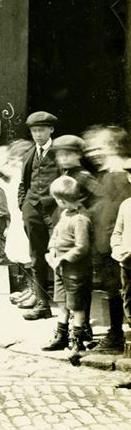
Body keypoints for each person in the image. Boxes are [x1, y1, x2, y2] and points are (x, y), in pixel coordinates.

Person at [83, 125, 131, 354]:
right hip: (109, 248)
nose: (92, 153)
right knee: (114, 292)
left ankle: (115, 337)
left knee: (121, 294)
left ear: (113, 146)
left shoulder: (124, 176)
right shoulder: (107, 175)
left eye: (98, 147)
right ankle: (115, 334)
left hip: (121, 250)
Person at [41, 175, 93, 357]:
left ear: (62, 200)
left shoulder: (80, 220)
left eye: (56, 199)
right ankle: (61, 335)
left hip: (75, 271)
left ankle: (77, 342)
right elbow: (55, 234)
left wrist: (62, 259)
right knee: (62, 301)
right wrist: (52, 250)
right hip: (60, 268)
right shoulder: (64, 215)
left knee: (77, 305)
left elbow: (82, 247)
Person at [18, 110, 59, 320]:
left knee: (59, 257)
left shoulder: (60, 153)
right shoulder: (30, 154)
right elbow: (23, 182)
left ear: (51, 130)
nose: (38, 134)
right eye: (34, 131)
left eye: (42, 130)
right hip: (33, 211)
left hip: (55, 212)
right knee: (36, 257)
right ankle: (43, 304)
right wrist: (23, 205)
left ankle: (67, 310)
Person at [0, 140, 34, 303]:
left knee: (31, 256)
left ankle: (37, 292)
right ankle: (31, 288)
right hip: (17, 222)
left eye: (12, 161)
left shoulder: (24, 178)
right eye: (5, 162)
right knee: (23, 256)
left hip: (27, 222)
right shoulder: (5, 181)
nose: (9, 165)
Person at [110, 195, 131, 341]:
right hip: (127, 265)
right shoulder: (126, 205)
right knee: (128, 300)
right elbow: (117, 232)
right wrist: (117, 248)